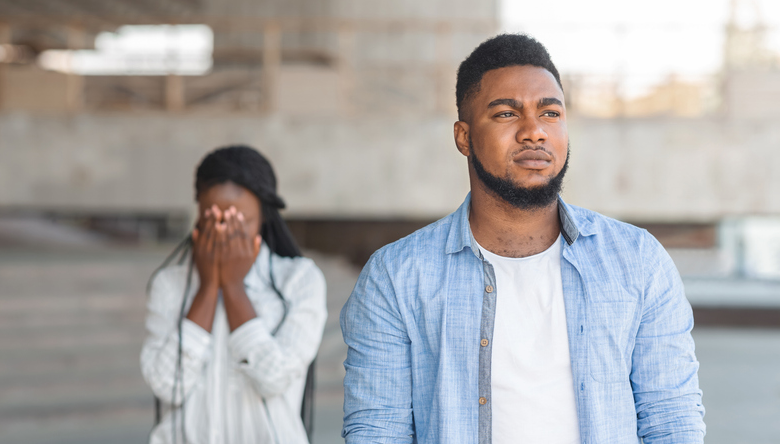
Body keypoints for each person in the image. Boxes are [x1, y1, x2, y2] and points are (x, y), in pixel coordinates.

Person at [340, 34, 705, 444]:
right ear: (463, 137)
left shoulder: (637, 260)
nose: (534, 132)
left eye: (550, 113)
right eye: (505, 115)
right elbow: (377, 432)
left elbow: (672, 421)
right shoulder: (397, 277)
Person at [141, 145, 327, 444]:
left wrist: (233, 287)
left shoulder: (300, 281)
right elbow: (166, 384)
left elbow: (275, 377)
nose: (225, 234)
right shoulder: (169, 284)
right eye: (213, 220)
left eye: (240, 223)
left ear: (264, 217)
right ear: (198, 214)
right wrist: (207, 286)